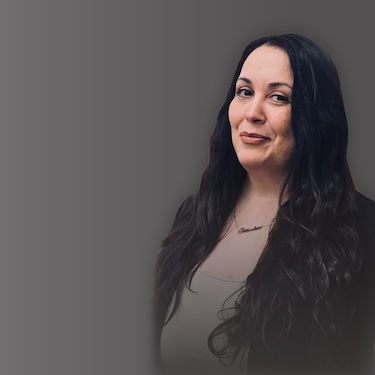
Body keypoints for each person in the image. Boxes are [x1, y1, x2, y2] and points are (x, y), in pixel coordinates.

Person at [152, 33, 375, 375]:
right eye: (244, 92)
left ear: (315, 117)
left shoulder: (363, 229)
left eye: (278, 97)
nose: (252, 112)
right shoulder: (194, 215)